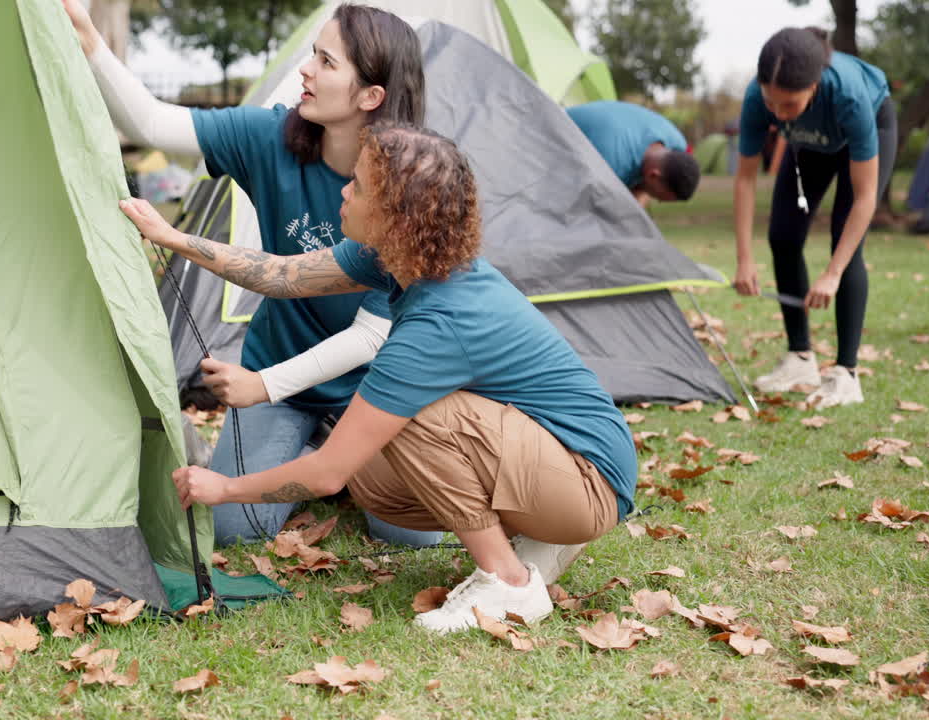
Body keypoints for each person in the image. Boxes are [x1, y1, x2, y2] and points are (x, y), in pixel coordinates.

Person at [118, 123, 638, 633]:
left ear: (397, 218)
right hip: (557, 459)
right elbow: (279, 275)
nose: (343, 190)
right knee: (373, 481)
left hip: (590, 480)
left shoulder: (438, 323)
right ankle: (539, 534)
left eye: (358, 186)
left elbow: (325, 476)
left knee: (413, 417)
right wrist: (172, 238)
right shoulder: (401, 259)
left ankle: (507, 581)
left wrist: (224, 487)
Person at [63, 0, 440, 547]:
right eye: (312, 55)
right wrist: (86, 33)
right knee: (237, 528)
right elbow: (151, 122)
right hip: (281, 375)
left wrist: (260, 384)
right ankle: (319, 464)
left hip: (371, 388)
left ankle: (332, 464)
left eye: (326, 62)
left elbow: (369, 338)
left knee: (412, 537)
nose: (306, 70)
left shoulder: (407, 186)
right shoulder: (271, 138)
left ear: (370, 96)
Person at [731, 27, 896, 408]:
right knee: (783, 236)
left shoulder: (849, 96)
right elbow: (745, 179)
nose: (778, 113)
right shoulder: (759, 98)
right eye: (773, 103)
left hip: (869, 124)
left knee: (846, 243)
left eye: (789, 105)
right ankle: (800, 358)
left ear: (816, 85)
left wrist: (833, 273)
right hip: (811, 142)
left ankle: (846, 374)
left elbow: (866, 197)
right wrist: (743, 258)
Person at [565, 100, 700, 208]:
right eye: (658, 197)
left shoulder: (677, 142)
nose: (656, 200)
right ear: (653, 175)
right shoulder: (611, 167)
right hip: (551, 142)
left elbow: (638, 195)